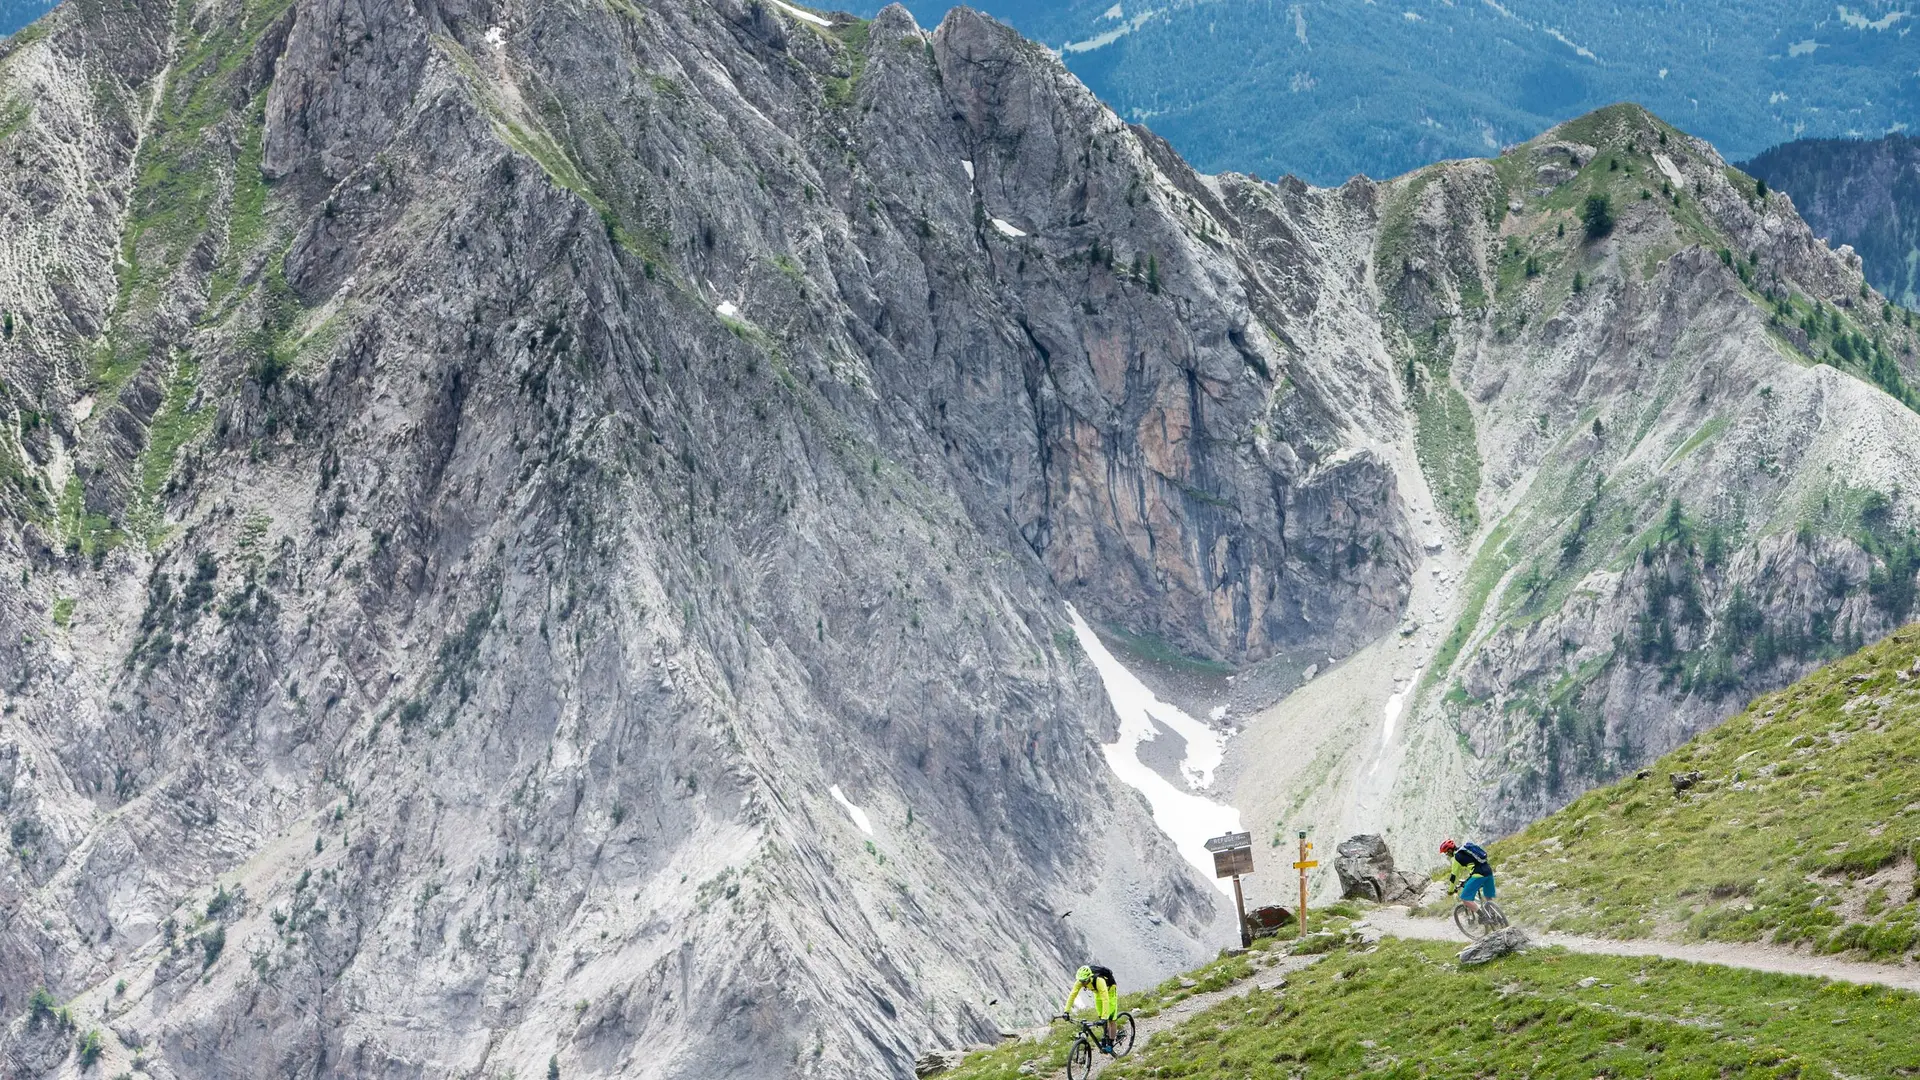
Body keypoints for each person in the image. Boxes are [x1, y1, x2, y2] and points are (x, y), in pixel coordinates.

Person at [1059, 963, 1119, 1050]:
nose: (1082, 984)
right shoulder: (1080, 980)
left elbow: (1105, 999)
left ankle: (1110, 1043)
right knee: (1100, 1015)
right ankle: (1106, 1034)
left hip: (1109, 991)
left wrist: (1105, 1017)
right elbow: (1072, 995)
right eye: (1081, 981)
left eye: (1084, 981)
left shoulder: (1099, 980)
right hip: (1097, 992)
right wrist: (1066, 1011)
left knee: (1110, 1018)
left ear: (1089, 977)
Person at [1440, 838, 1495, 915]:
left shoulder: (1457, 857)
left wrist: (1450, 891)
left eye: (1446, 853)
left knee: (1465, 898)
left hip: (1478, 875)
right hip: (1488, 870)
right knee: (1488, 897)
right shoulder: (1466, 849)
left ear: (1450, 850)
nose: (1447, 855)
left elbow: (1454, 877)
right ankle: (1495, 915)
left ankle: (1483, 916)